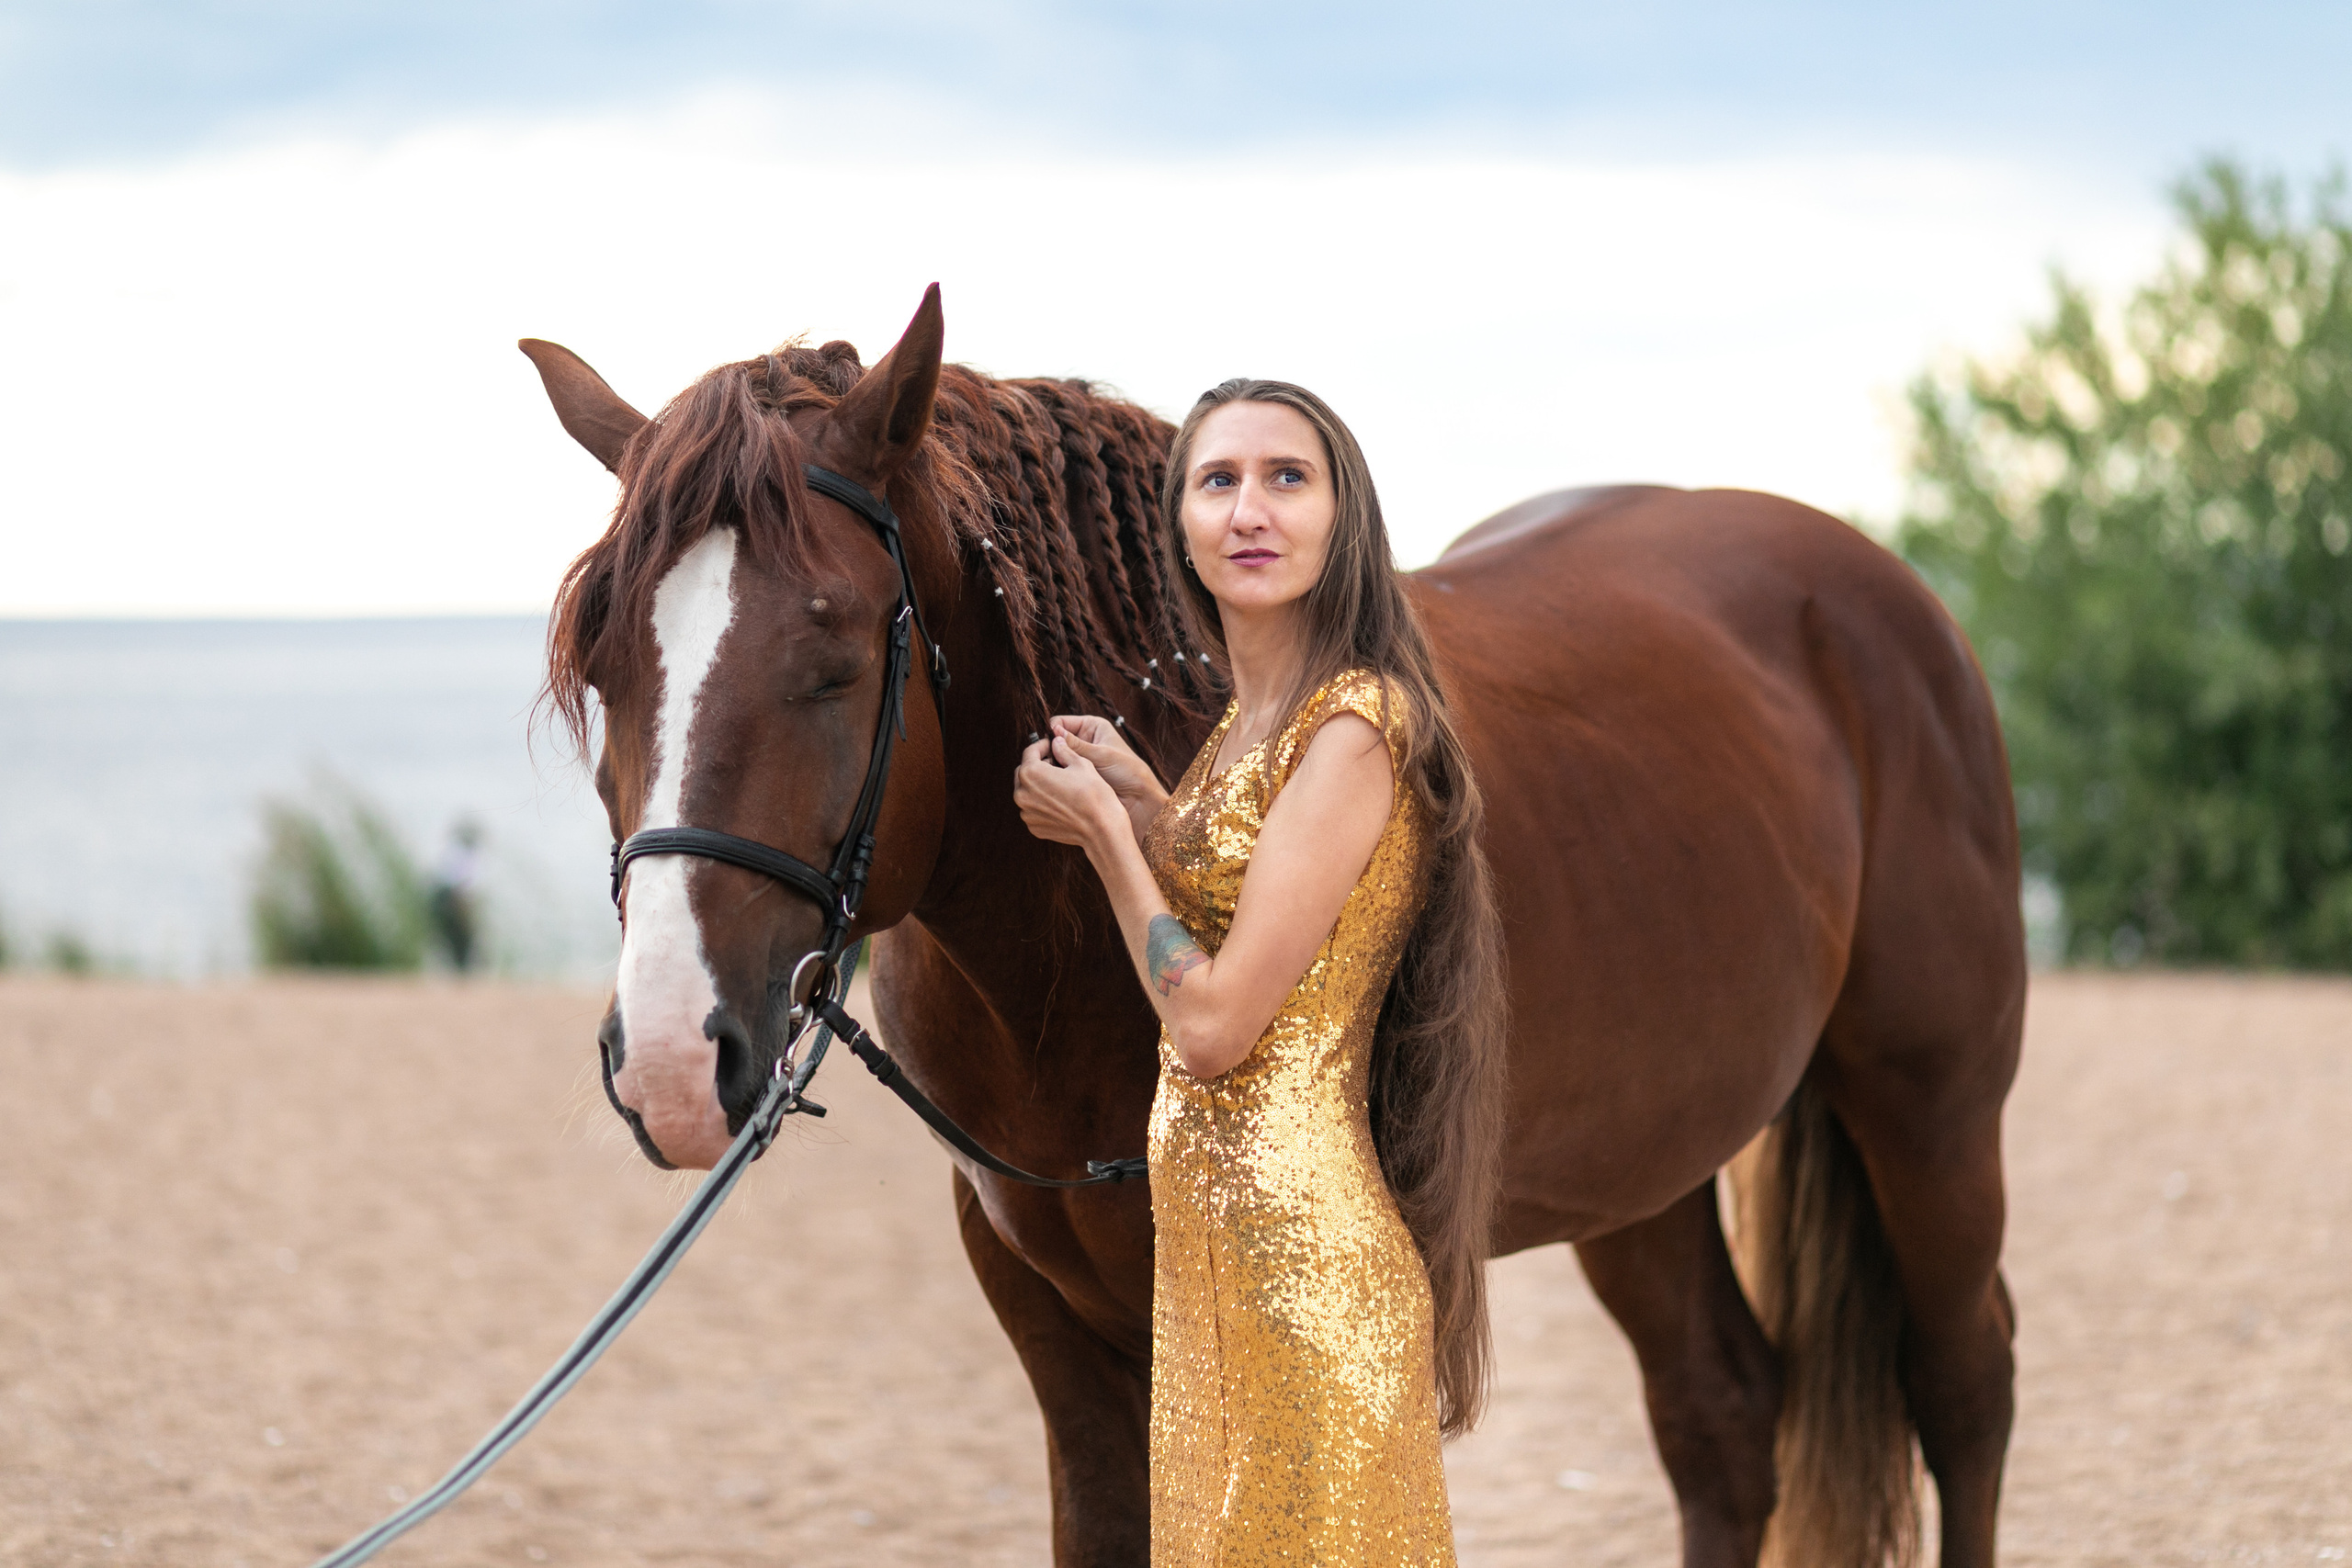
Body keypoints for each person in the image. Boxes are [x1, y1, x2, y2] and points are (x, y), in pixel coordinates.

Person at [1014, 379, 1510, 1566]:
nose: (1251, 508)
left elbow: (1219, 1022)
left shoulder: (1352, 730)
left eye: (1288, 478)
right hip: (1223, 1270)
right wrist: (1150, 798)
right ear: (1179, 522)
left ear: (1344, 519)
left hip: (1303, 1268)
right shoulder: (1252, 727)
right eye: (1218, 480)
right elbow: (1247, 889)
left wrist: (1110, 844)